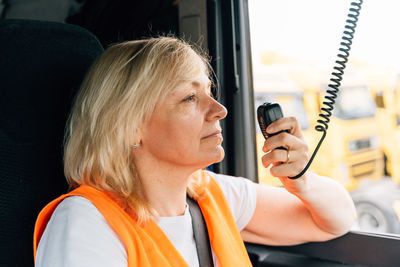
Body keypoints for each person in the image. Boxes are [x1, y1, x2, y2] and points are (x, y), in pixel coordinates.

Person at [33, 36, 356, 267]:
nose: (220, 110)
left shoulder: (210, 194)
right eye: (190, 98)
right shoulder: (85, 224)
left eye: (209, 92)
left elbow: (335, 221)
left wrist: (302, 183)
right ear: (130, 125)